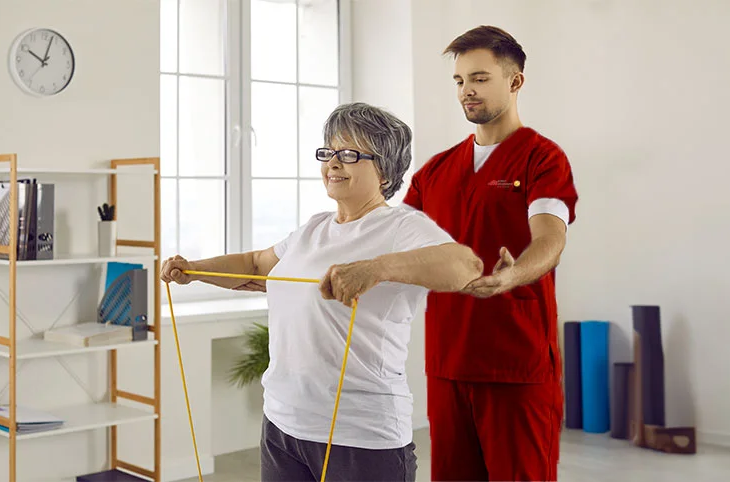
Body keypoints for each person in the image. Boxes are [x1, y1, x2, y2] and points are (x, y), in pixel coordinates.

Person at [160, 102, 486, 482]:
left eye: (349, 154)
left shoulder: (400, 227)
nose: (333, 163)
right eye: (328, 152)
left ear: (384, 171)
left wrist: (376, 269)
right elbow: (255, 265)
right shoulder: (313, 229)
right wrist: (195, 270)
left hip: (361, 437)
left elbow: (466, 267)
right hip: (283, 426)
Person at [400, 26, 580, 481]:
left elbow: (550, 239)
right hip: (447, 364)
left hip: (515, 367)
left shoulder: (542, 159)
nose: (467, 91)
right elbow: (391, 242)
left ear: (515, 82)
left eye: (479, 78)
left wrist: (513, 275)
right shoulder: (434, 172)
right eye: (459, 81)